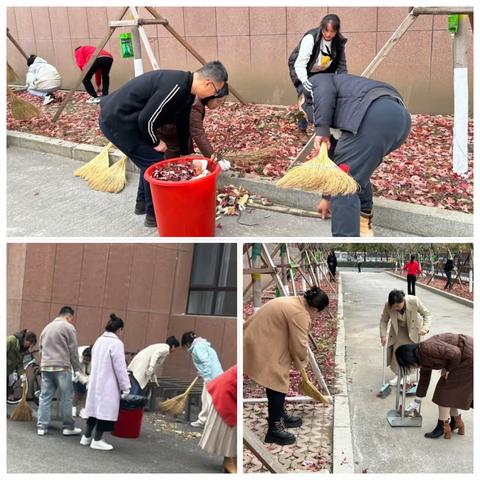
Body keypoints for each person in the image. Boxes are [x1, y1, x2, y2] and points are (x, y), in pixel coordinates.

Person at [99, 61, 228, 228]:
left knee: (149, 161)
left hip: (130, 121)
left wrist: (185, 152)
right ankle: (154, 216)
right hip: (117, 121)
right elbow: (146, 119)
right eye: (216, 91)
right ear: (208, 84)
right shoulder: (176, 87)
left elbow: (182, 121)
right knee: (154, 163)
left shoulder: (187, 91)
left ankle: (142, 204)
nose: (214, 95)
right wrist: (156, 141)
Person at [306, 73, 411, 237]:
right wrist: (327, 198)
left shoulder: (314, 86)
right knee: (354, 171)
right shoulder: (346, 101)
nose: (308, 120)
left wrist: (321, 129)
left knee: (342, 183)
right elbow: (335, 162)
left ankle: (345, 237)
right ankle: (363, 222)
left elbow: (324, 91)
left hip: (373, 117)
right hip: (400, 119)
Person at [244, 287, 329, 445]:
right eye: (319, 313)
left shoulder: (298, 302)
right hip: (260, 340)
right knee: (277, 381)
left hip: (264, 337)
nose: (317, 317)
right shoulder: (300, 314)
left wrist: (298, 361)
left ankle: (280, 416)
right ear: (315, 308)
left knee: (276, 378)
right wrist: (301, 362)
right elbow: (298, 345)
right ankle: (274, 430)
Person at [396, 333, 473, 439]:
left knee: (443, 392)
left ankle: (442, 427)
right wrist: (417, 401)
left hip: (468, 358)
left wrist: (448, 369)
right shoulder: (422, 356)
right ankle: (456, 422)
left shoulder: (427, 348)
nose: (412, 367)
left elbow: (455, 353)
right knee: (451, 392)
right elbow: (424, 380)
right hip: (464, 357)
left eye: (409, 364)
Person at [288, 14, 347, 131]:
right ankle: (302, 128)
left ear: (337, 31)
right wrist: (304, 81)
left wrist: (343, 83)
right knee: (304, 95)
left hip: (323, 71)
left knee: (324, 95)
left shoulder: (338, 42)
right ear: (321, 27)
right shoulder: (311, 38)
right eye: (326, 30)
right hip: (303, 68)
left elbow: (342, 65)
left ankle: (323, 126)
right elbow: (300, 63)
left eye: (332, 31)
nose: (329, 34)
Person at [81, 314, 130, 451]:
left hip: (95, 380)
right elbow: (120, 368)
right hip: (108, 384)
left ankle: (86, 437)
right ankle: (97, 440)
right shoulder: (116, 344)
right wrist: (125, 387)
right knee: (103, 412)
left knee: (93, 411)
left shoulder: (99, 340)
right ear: (119, 329)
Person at [37, 306, 84, 436]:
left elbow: (41, 348)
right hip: (62, 367)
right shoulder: (68, 327)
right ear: (69, 317)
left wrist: (44, 362)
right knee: (66, 397)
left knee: (45, 396)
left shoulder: (46, 328)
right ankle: (68, 426)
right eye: (71, 319)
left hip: (46, 366)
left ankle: (42, 426)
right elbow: (73, 351)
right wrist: (77, 370)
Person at [159, 84, 229, 161]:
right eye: (218, 101)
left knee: (183, 151)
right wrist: (213, 157)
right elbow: (197, 133)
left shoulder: (197, 98)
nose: (218, 105)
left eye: (221, 102)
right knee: (174, 156)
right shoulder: (195, 104)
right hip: (169, 131)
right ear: (210, 96)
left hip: (175, 129)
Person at [380, 289, 432, 386]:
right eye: (395, 307)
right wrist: (383, 335)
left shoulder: (414, 301)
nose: (397, 309)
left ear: (403, 300)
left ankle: (406, 376)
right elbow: (384, 320)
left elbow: (427, 314)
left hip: (413, 329)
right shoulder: (388, 305)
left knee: (409, 353)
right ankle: (398, 375)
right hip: (398, 330)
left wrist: (425, 328)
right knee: (397, 352)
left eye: (399, 306)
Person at [199, 365, 237, 473]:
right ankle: (229, 460)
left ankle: (231, 458)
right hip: (226, 389)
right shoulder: (199, 348)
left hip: (224, 381)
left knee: (234, 429)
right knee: (230, 427)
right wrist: (205, 376)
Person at [181, 331, 224, 428]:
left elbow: (206, 362)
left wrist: (207, 377)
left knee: (208, 400)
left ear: (187, 343)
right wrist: (202, 373)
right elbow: (207, 362)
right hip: (216, 375)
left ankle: (208, 422)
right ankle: (205, 420)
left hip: (212, 377)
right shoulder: (202, 345)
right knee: (206, 398)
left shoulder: (197, 348)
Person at [7, 329, 37, 395]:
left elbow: (19, 364)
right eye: (30, 344)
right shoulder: (11, 340)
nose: (29, 346)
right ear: (25, 340)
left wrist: (22, 374)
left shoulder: (23, 349)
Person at [72, 345, 92, 418]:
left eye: (88, 360)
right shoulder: (77, 355)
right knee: (78, 392)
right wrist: (83, 380)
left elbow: (93, 372)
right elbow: (76, 370)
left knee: (87, 393)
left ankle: (83, 410)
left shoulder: (95, 361)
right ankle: (73, 407)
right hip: (77, 373)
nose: (86, 361)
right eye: (85, 359)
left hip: (88, 375)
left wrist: (88, 381)